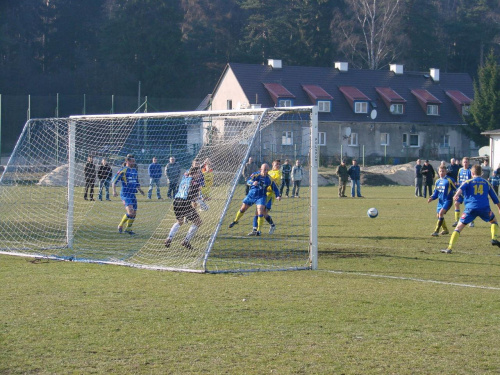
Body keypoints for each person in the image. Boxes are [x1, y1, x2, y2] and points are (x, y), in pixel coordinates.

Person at [441, 164, 500, 254]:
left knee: (459, 227)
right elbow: (495, 198)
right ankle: (494, 238)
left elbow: (459, 191)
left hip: (470, 209)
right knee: (494, 221)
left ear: (472, 173)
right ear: (481, 173)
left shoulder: (468, 182)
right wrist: (499, 208)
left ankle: (449, 248)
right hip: (484, 208)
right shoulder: (486, 182)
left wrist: (456, 196)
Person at [228, 163, 281, 236]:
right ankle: (235, 221)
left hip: (261, 197)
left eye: (266, 170)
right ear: (261, 169)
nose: (265, 171)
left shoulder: (269, 179)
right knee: (243, 209)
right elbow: (248, 181)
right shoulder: (255, 175)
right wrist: (253, 182)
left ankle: (258, 230)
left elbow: (275, 187)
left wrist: (278, 195)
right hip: (251, 195)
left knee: (260, 212)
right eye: (264, 170)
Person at [165, 166, 204, 250]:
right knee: (198, 222)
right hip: (184, 203)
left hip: (176, 202)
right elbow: (193, 197)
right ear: (194, 173)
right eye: (198, 173)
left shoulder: (184, 178)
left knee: (179, 221)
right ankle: (186, 241)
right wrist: (201, 202)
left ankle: (169, 238)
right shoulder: (195, 183)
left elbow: (187, 174)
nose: (199, 175)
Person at [112, 155, 145, 235]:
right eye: (132, 161)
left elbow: (136, 182)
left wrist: (140, 190)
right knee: (130, 212)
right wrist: (114, 191)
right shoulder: (123, 170)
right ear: (127, 161)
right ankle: (120, 225)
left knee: (134, 213)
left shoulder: (134, 171)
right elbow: (114, 181)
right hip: (125, 194)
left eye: (134, 161)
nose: (134, 163)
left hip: (133, 194)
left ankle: (128, 229)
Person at [249, 159, 281, 235]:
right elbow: (260, 175)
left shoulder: (278, 174)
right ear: (272, 165)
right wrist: (254, 176)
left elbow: (271, 182)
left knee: (263, 212)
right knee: (258, 212)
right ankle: (255, 229)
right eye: (276, 164)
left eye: (279, 165)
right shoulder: (269, 172)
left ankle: (271, 226)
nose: (278, 166)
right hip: (263, 194)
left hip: (270, 195)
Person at [427, 166, 456, 236]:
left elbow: (456, 188)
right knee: (439, 215)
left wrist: (457, 195)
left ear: (445, 172)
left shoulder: (449, 180)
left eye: (443, 171)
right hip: (440, 201)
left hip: (448, 201)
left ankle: (436, 231)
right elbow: (436, 192)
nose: (441, 173)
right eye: (440, 171)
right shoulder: (437, 181)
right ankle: (445, 230)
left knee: (440, 213)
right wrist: (431, 198)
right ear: (438, 172)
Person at [453, 157, 473, 228]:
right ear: (462, 163)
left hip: (467, 191)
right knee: (456, 203)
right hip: (461, 190)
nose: (465, 163)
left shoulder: (470, 171)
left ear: (468, 163)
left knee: (469, 206)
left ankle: (471, 221)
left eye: (466, 162)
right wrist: (457, 186)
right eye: (464, 162)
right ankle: (457, 220)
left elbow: (472, 180)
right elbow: (458, 179)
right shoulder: (460, 170)